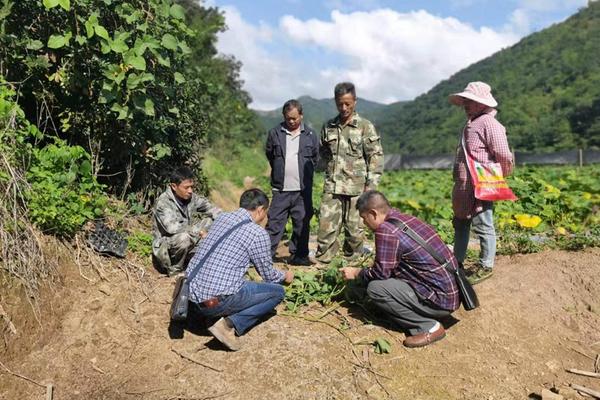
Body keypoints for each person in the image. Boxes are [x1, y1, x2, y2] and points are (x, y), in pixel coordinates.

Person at [340, 190, 460, 348]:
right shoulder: (405, 219)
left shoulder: (386, 230)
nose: (364, 224)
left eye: (364, 218)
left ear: (373, 213)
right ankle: (425, 312)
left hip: (439, 301)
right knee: (386, 280)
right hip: (451, 294)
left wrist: (356, 273)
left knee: (376, 288)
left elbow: (380, 274)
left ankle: (428, 327)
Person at [187, 188, 294, 351]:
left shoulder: (222, 218)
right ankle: (228, 325)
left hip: (189, 296)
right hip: (213, 303)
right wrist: (285, 275)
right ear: (260, 210)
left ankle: (206, 316)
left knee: (235, 282)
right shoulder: (257, 233)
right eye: (265, 212)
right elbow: (269, 276)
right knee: (277, 292)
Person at [449, 81, 514, 283]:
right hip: (464, 186)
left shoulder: (488, 123)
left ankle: (486, 265)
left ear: (481, 103)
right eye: (465, 101)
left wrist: (498, 177)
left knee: (484, 223)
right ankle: (457, 262)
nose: (466, 104)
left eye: (471, 101)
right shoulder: (472, 123)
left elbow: (503, 154)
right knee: (461, 222)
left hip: (481, 184)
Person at [315, 82, 384, 263]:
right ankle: (323, 264)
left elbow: (375, 157)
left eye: (348, 103)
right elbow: (323, 153)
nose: (344, 108)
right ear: (335, 102)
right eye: (340, 104)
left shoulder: (365, 126)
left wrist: (371, 187)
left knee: (355, 231)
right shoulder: (328, 126)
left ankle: (352, 266)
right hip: (333, 186)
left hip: (357, 188)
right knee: (326, 227)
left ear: (355, 101)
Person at [265, 99, 319, 265]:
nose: (292, 121)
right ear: (284, 116)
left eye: (295, 118)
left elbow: (315, 158)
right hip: (281, 189)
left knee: (301, 224)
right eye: (288, 118)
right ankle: (266, 255)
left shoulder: (310, 135)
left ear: (301, 116)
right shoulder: (275, 133)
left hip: (302, 190)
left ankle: (299, 256)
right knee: (274, 223)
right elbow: (270, 155)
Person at [152, 166, 221, 276]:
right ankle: (175, 271)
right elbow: (172, 228)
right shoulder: (163, 202)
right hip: (166, 248)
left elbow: (211, 209)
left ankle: (196, 263)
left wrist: (228, 221)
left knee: (213, 221)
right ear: (174, 186)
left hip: (188, 239)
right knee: (184, 238)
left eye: (191, 187)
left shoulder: (190, 197)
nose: (190, 191)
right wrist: (200, 232)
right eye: (186, 187)